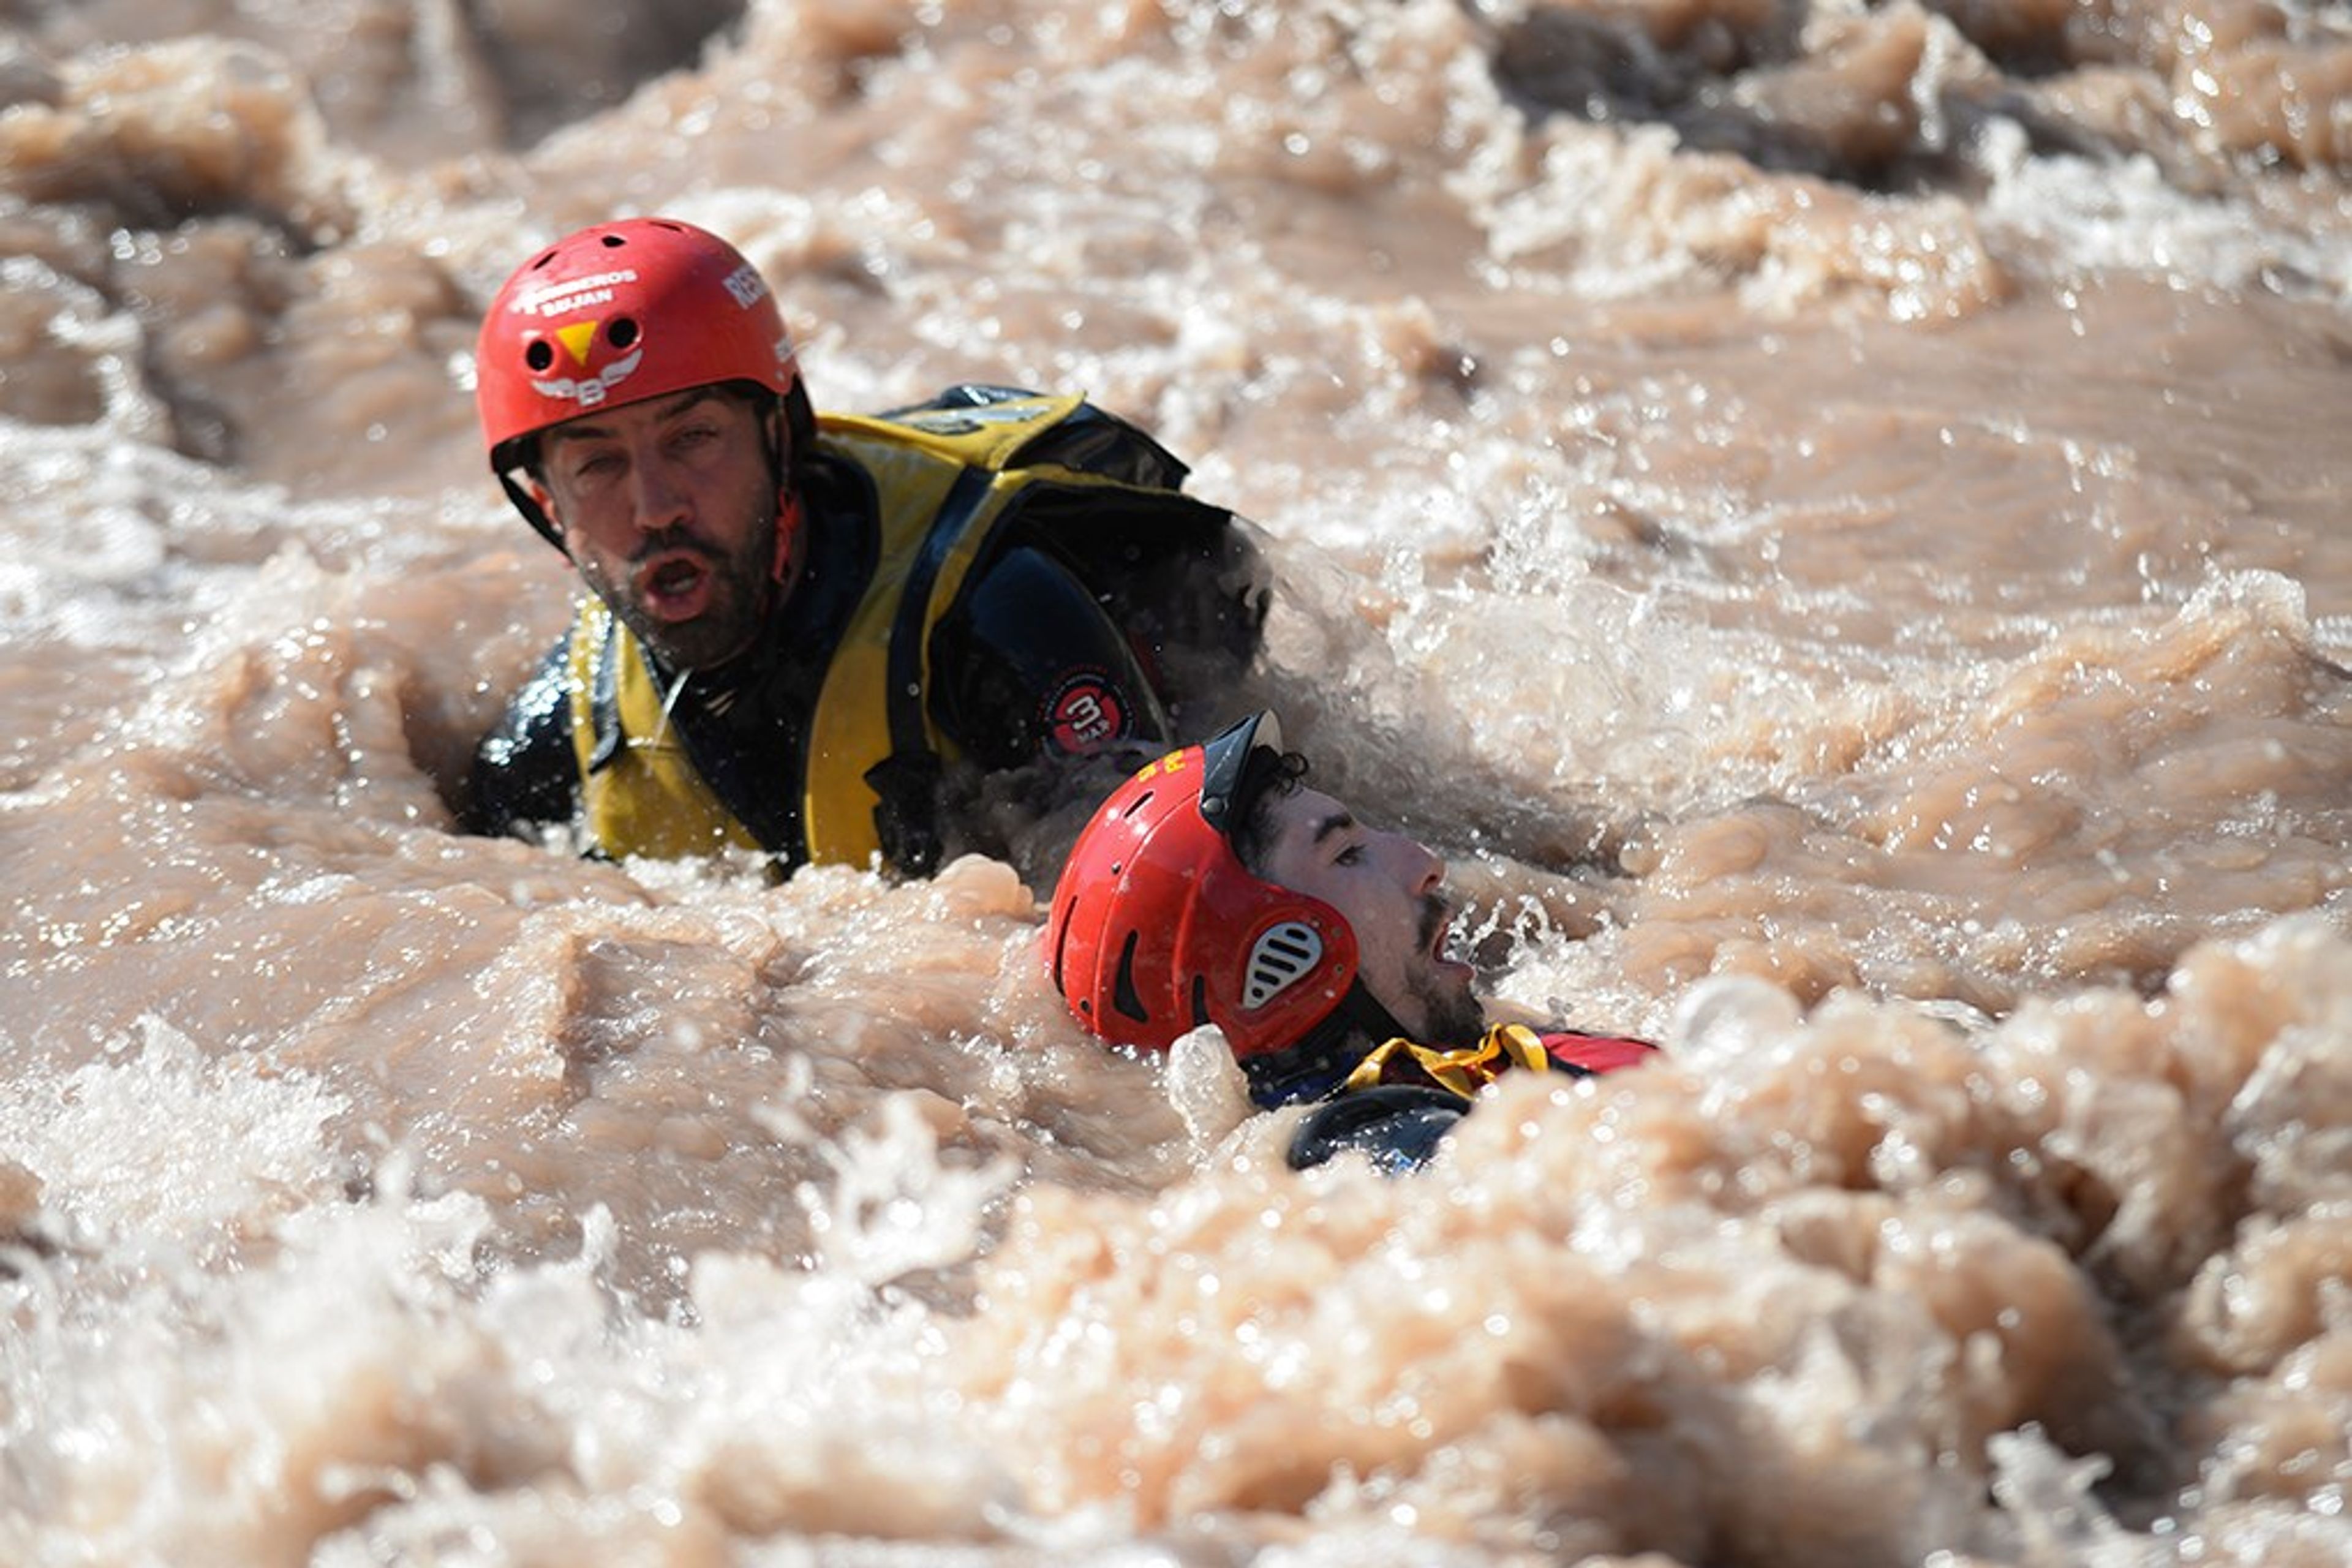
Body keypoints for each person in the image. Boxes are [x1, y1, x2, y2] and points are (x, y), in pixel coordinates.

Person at [460, 216, 1266, 876]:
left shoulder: (997, 610)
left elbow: (1167, 897)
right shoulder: (565, 727)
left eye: (694, 437)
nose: (656, 507)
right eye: (597, 464)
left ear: (781, 435)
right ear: (547, 507)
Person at [1044, 712, 1657, 1172]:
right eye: (1349, 854)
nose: (1424, 862)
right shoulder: (1360, 1145)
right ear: (1280, 966)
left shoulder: (1438, 1081)